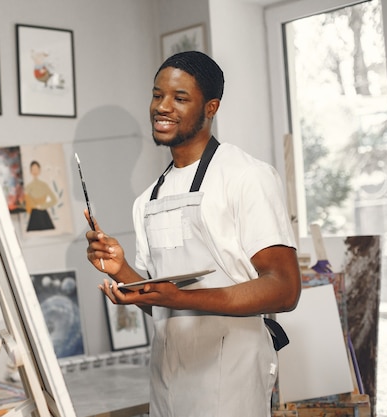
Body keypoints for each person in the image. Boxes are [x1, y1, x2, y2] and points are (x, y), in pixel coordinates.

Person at [84, 51, 301, 416]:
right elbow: (161, 302)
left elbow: (284, 288)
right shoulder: (148, 199)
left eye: (180, 98)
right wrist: (121, 271)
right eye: (157, 95)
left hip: (231, 374)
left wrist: (180, 299)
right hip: (168, 373)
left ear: (211, 107)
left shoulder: (247, 177)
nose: (162, 107)